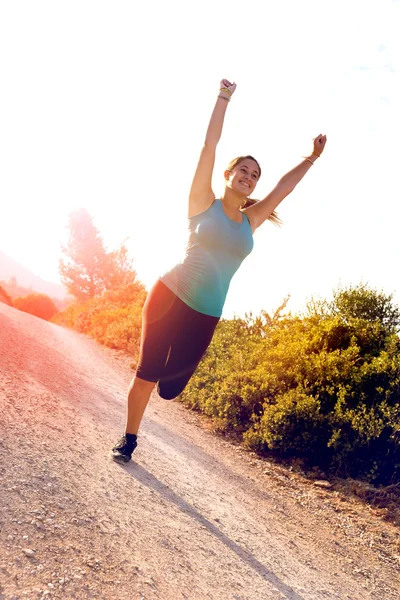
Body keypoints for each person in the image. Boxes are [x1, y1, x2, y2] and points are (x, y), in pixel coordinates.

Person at [111, 79, 327, 463]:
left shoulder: (252, 219)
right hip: (169, 295)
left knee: (171, 388)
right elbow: (208, 147)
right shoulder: (202, 202)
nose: (249, 176)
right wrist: (223, 98)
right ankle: (129, 439)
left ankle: (163, 382)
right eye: (243, 170)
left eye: (254, 175)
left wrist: (311, 158)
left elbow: (283, 188)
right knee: (147, 372)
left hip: (206, 314)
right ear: (228, 175)